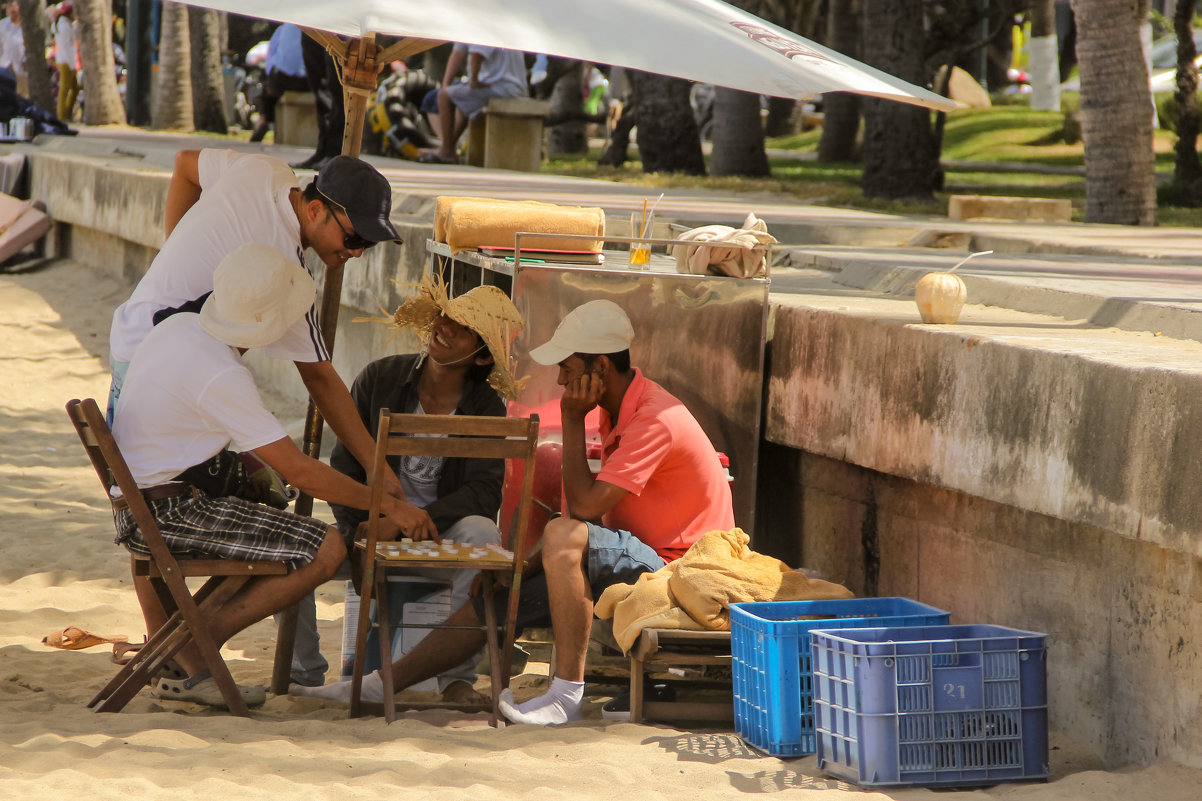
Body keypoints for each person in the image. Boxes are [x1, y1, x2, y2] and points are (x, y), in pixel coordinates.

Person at [293, 300, 735, 726]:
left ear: (599, 368)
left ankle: (565, 693)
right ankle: (379, 684)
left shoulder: (653, 418)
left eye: (567, 368)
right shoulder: (616, 408)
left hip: (678, 566)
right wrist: (520, 565)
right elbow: (578, 517)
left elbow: (578, 511)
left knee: (555, 535)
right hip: (638, 556)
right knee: (494, 592)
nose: (561, 381)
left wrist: (572, 418)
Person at [111, 243, 433, 708]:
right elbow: (299, 470)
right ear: (264, 323)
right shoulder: (219, 372)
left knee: (268, 517)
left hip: (142, 503)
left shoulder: (180, 327)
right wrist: (389, 504)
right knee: (326, 547)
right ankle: (191, 647)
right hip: (169, 512)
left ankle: (184, 647)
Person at [106, 150, 403, 501]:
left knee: (141, 489)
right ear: (315, 210)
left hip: (132, 334)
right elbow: (319, 378)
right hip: (160, 360)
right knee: (174, 495)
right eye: (354, 239)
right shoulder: (282, 270)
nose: (357, 254)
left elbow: (185, 163)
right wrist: (375, 467)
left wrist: (174, 252)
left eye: (367, 245)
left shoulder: (266, 170)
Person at [289, 277, 525, 700]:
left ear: (483, 357)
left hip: (437, 536)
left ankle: (454, 678)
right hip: (367, 526)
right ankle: (302, 673)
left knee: (484, 534)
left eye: (463, 328)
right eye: (446, 318)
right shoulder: (380, 378)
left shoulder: (487, 407)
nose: (445, 328)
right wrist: (366, 525)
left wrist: (410, 522)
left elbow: (484, 494)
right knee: (295, 550)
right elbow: (342, 467)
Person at [418, 43, 528, 165]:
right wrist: (447, 87)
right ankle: (448, 148)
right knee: (460, 99)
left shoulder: (481, 27)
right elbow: (457, 54)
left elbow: (477, 53)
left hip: (501, 87)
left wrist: (474, 80)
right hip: (514, 87)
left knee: (443, 96)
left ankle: (447, 152)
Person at [250, 23, 308, 143]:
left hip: (283, 79)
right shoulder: (314, 30)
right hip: (308, 81)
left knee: (268, 91)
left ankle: (263, 119)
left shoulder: (283, 28)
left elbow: (271, 58)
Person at [52, 1, 77, 123]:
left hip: (64, 60)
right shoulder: (64, 26)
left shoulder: (64, 24)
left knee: (73, 88)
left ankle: (67, 113)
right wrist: (72, 65)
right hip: (66, 61)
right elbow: (68, 47)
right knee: (65, 88)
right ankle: (62, 115)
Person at [0, 2, 26, 97]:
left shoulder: (25, 25)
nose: (12, 11)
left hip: (21, 66)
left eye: (14, 8)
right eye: (10, 8)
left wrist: (25, 60)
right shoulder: (2, 25)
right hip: (5, 64)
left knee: (22, 94)